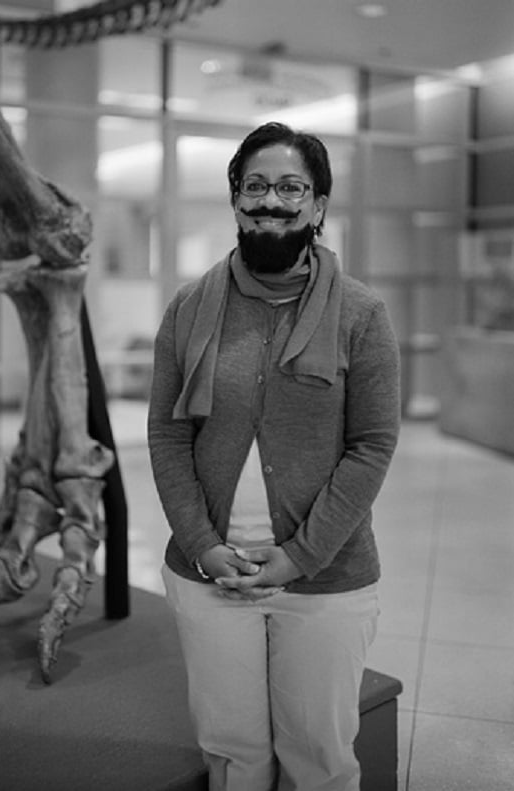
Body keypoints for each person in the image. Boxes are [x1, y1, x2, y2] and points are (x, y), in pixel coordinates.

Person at [147, 121, 400, 791]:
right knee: (231, 751)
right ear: (234, 198)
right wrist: (202, 545)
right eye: (255, 185)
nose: (271, 200)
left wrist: (299, 555)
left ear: (317, 205)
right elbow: (168, 435)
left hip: (325, 579)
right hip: (212, 577)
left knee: (319, 756)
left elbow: (372, 445)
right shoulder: (187, 309)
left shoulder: (361, 314)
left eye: (292, 186)